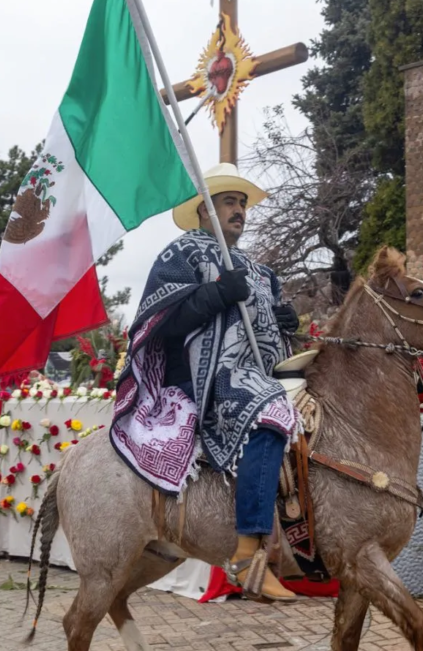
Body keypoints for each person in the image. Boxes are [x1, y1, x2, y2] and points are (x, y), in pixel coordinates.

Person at [110, 163, 301, 602]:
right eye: (229, 201)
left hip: (260, 372)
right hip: (203, 378)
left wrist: (285, 320)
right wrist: (215, 293)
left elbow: (268, 330)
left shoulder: (260, 271)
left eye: (242, 203)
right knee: (270, 415)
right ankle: (247, 553)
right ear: (204, 209)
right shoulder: (181, 254)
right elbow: (162, 324)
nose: (239, 210)